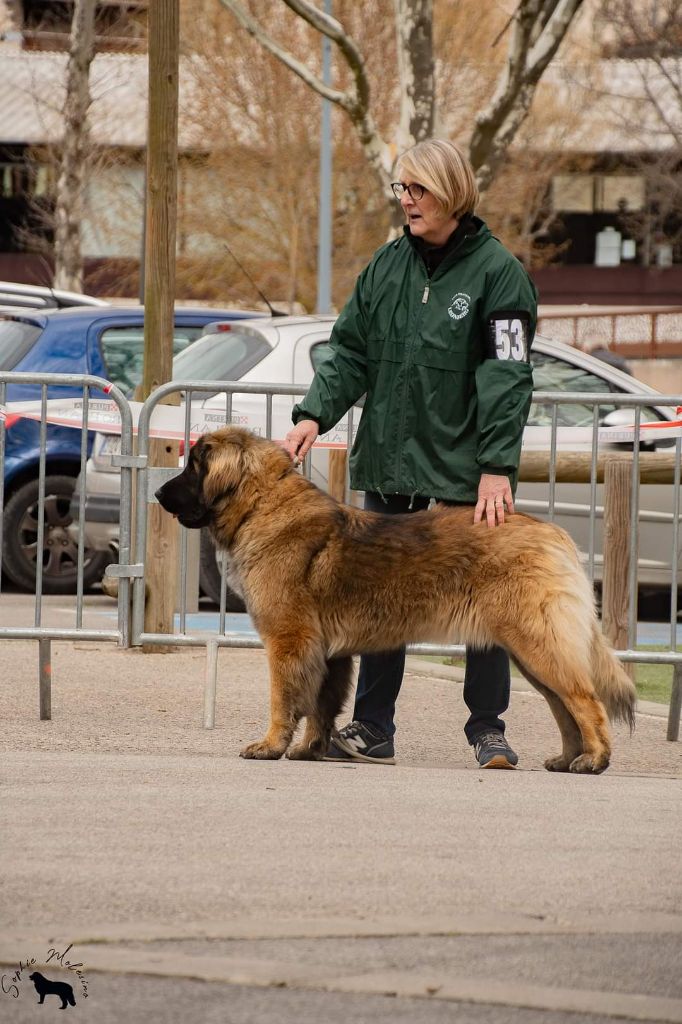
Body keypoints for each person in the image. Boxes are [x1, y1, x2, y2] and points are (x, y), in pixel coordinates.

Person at [284, 138, 538, 769]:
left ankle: (488, 730)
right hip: (392, 459)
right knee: (381, 598)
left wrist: (496, 466)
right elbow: (348, 351)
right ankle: (373, 727)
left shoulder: (499, 273)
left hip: (463, 466)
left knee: (482, 597)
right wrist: (314, 412)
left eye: (418, 189)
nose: (407, 201)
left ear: (450, 191)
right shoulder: (386, 266)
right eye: (402, 189)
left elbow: (507, 375)